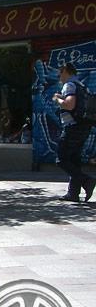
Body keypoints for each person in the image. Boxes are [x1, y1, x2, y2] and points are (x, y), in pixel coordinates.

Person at [52, 63, 96, 202]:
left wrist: (57, 99)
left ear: (65, 71)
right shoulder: (82, 86)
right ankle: (73, 194)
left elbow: (70, 104)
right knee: (74, 160)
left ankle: (87, 181)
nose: (59, 77)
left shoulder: (69, 85)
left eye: (60, 73)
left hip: (72, 127)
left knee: (61, 159)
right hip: (83, 127)